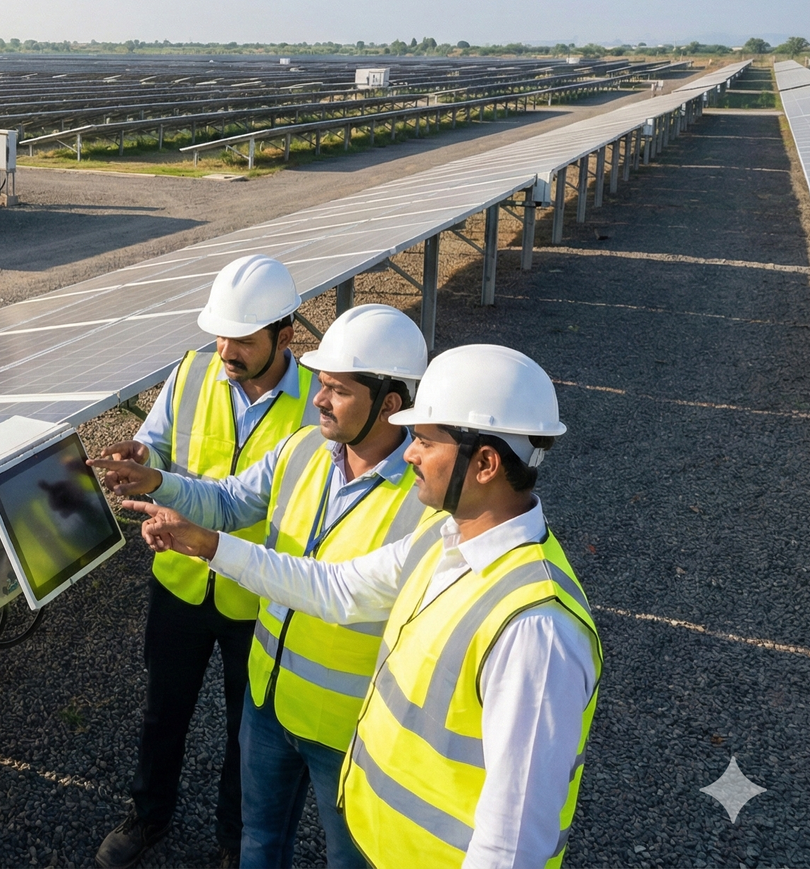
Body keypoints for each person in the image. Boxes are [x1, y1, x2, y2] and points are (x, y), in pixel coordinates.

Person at [125, 345, 602, 869]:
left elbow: (514, 847)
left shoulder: (535, 627)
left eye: (424, 440)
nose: (412, 454)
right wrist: (210, 545)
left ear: (485, 463)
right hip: (379, 832)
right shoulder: (444, 542)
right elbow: (332, 587)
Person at [92, 304, 430, 869]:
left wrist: (211, 546)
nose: (320, 400)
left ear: (391, 404)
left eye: (338, 391)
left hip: (343, 727)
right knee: (259, 842)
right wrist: (159, 481)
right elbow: (226, 500)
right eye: (322, 386)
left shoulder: (424, 502)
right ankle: (158, 818)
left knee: (349, 858)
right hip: (269, 694)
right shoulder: (302, 451)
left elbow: (336, 590)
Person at [92, 254, 318, 869]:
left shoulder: (315, 408)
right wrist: (142, 450)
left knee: (249, 733)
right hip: (181, 581)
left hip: (257, 593)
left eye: (243, 340)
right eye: (220, 335)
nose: (226, 350)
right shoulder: (192, 372)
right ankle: (148, 816)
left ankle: (233, 838)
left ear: (285, 334)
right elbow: (159, 442)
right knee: (163, 710)